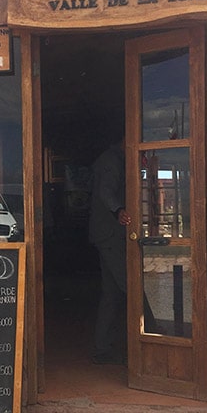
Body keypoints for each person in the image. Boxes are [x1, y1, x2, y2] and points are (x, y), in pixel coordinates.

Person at [88, 137, 131, 365]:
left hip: (107, 235)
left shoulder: (115, 158)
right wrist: (119, 211)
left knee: (111, 293)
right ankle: (145, 345)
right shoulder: (112, 161)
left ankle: (102, 347)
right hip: (111, 236)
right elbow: (106, 192)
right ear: (127, 138)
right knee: (131, 288)